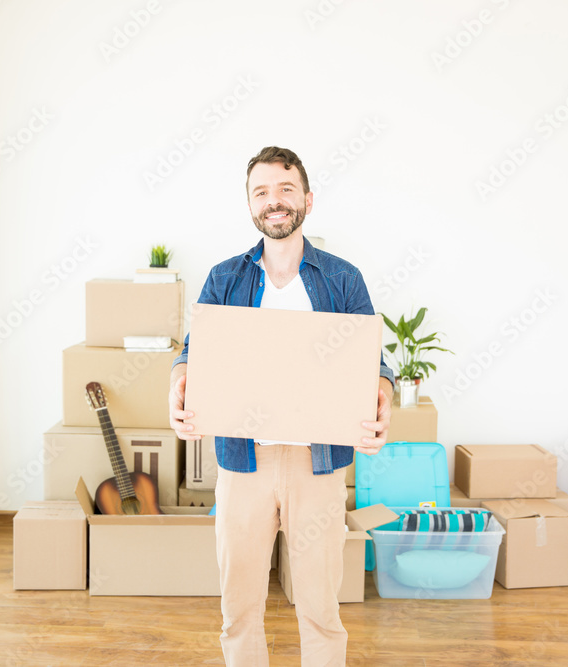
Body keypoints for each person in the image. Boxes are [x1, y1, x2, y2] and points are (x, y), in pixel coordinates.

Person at [168, 146, 394, 667]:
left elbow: (372, 363)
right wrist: (178, 384)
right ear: (250, 205)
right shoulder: (225, 278)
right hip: (244, 462)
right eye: (262, 192)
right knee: (239, 609)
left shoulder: (342, 279)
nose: (275, 201)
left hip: (318, 465)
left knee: (320, 609)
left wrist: (383, 398)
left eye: (286, 189)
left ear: (308, 200)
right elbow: (190, 354)